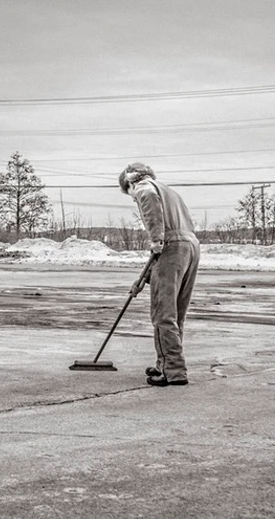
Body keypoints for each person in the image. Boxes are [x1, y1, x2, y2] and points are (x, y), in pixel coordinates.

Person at [119, 163, 200, 387]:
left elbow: (155, 222)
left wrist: (156, 239)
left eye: (129, 194)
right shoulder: (169, 191)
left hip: (172, 246)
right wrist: (143, 280)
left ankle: (173, 371)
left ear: (130, 183)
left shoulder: (143, 187)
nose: (133, 198)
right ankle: (165, 362)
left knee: (163, 313)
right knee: (175, 312)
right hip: (190, 246)